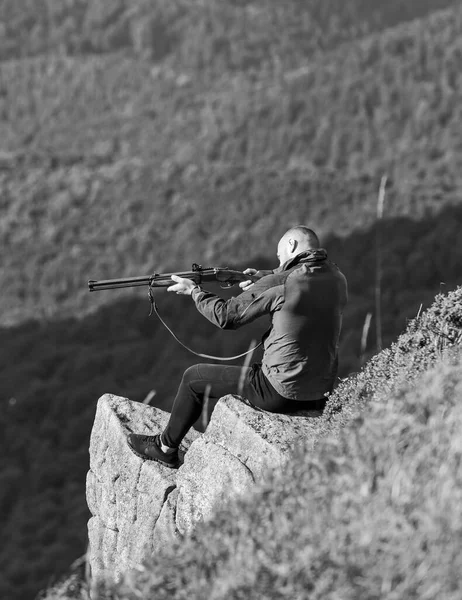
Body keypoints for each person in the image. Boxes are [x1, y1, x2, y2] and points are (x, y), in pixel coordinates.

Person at [127, 226, 348, 468]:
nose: (279, 260)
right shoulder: (337, 278)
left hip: (280, 392)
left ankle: (164, 447)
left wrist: (195, 292)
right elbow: (292, 277)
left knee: (193, 378)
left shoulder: (280, 284)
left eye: (279, 256)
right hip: (320, 395)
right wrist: (260, 277)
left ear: (292, 246)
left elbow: (226, 316)